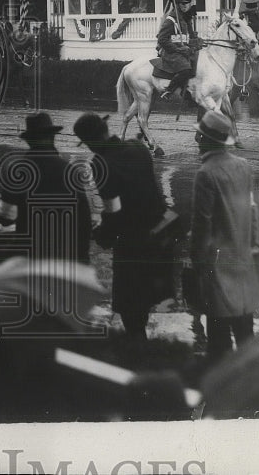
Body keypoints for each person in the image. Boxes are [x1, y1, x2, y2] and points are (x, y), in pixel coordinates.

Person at [73, 113, 175, 344]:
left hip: (132, 241)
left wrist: (102, 236)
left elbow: (114, 211)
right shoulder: (139, 147)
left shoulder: (100, 163)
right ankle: (143, 349)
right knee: (146, 298)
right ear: (106, 130)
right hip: (159, 234)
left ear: (90, 142)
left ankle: (138, 353)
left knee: (130, 306)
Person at [190, 110, 259, 363]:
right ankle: (251, 388)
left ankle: (220, 390)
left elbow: (202, 225)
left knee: (218, 338)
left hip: (217, 265)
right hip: (242, 258)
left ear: (203, 140)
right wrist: (252, 243)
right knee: (245, 331)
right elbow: (252, 209)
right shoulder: (243, 166)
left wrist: (196, 261)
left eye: (199, 136)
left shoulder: (205, 174)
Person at [0, 113, 93, 264]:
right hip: (64, 254)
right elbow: (84, 219)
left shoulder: (18, 172)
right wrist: (82, 257)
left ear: (28, 141)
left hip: (30, 255)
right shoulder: (70, 170)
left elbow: (5, 218)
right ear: (53, 137)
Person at [158, 0, 201, 101]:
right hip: (171, 52)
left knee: (199, 63)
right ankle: (168, 90)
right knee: (185, 69)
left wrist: (197, 43)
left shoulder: (185, 19)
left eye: (187, 3)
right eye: (183, 4)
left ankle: (186, 90)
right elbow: (162, 39)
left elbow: (188, 38)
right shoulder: (170, 20)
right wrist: (178, 49)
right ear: (177, 5)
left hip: (184, 51)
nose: (186, 6)